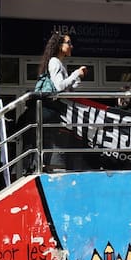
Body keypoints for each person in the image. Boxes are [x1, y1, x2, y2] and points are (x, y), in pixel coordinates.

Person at [38, 32, 87, 170]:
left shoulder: (59, 63)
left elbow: (66, 88)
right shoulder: (55, 62)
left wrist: (77, 78)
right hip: (56, 113)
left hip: (59, 113)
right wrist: (75, 74)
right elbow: (59, 87)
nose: (72, 46)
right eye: (68, 43)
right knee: (58, 152)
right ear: (60, 45)